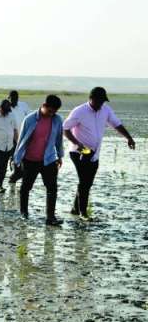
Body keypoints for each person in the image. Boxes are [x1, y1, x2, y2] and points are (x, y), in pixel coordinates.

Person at [62, 87, 135, 220]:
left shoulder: (105, 110)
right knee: (84, 181)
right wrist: (77, 143)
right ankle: (83, 213)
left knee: (87, 182)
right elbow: (65, 128)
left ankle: (75, 209)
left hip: (94, 153)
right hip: (79, 151)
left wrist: (128, 137)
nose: (101, 104)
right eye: (99, 101)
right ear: (91, 99)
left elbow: (116, 124)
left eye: (103, 101)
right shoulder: (80, 111)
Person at [13, 95, 64, 226]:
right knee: (26, 187)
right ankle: (24, 213)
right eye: (50, 111)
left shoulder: (57, 120)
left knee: (52, 188)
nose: (52, 114)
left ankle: (50, 217)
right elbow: (21, 140)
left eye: (55, 112)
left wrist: (60, 156)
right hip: (30, 160)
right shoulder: (30, 119)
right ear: (44, 105)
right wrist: (17, 159)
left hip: (49, 160)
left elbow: (59, 139)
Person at [7, 90, 30, 183]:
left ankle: (16, 173)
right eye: (11, 99)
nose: (13, 101)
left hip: (23, 135)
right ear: (9, 98)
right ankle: (14, 174)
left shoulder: (23, 105)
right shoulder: (6, 106)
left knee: (23, 156)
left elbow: (29, 118)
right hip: (10, 136)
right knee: (14, 155)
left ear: (17, 98)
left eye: (15, 99)